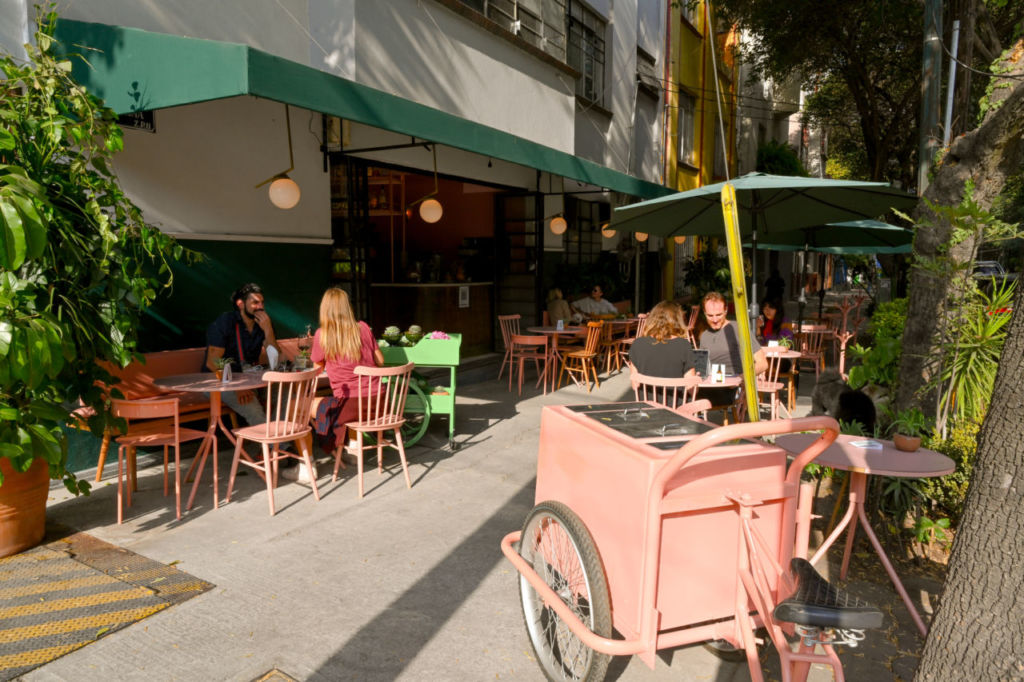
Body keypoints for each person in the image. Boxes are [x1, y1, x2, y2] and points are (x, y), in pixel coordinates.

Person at [310, 287, 385, 463]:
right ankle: (353, 448)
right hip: (379, 403)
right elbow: (380, 361)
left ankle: (309, 463)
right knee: (348, 398)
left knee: (303, 406)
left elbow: (317, 368)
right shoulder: (364, 327)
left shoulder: (323, 335)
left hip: (351, 407)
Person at [205, 283, 283, 426]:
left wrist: (268, 329)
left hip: (249, 378)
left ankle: (277, 439)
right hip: (219, 381)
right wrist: (237, 387)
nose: (260, 306)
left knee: (285, 394)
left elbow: (275, 359)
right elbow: (212, 363)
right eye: (255, 302)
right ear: (240, 304)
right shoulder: (225, 322)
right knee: (252, 407)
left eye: (262, 302)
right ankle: (277, 446)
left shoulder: (262, 323)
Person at [698, 291, 768, 413]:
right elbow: (702, 368)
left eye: (718, 314)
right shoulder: (704, 336)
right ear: (704, 313)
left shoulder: (738, 329)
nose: (714, 320)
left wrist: (740, 378)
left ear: (726, 310)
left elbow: (762, 364)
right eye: (710, 315)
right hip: (709, 385)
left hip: (732, 387)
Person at [628, 300, 697, 378]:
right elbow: (691, 388)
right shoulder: (684, 345)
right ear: (678, 320)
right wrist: (696, 379)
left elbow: (635, 385)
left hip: (646, 390)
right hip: (676, 390)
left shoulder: (637, 344)